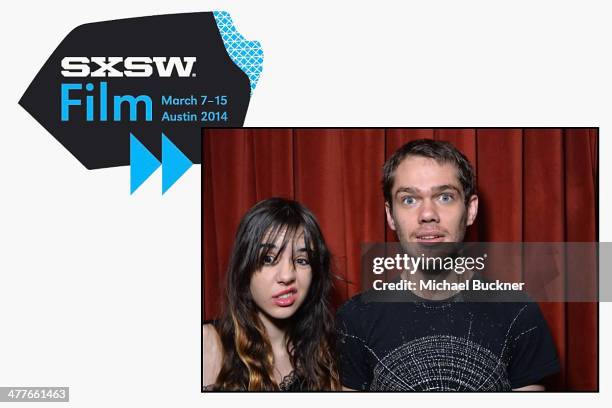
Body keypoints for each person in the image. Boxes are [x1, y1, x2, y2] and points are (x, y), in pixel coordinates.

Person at [336, 139, 560, 391]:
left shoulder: (519, 312)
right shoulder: (355, 318)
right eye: (409, 199)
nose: (427, 213)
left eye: (444, 197)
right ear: (390, 215)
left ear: (471, 209)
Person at [203, 197, 341, 391]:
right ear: (244, 267)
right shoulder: (209, 344)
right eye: (268, 259)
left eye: (302, 260)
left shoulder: (324, 354)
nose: (287, 276)